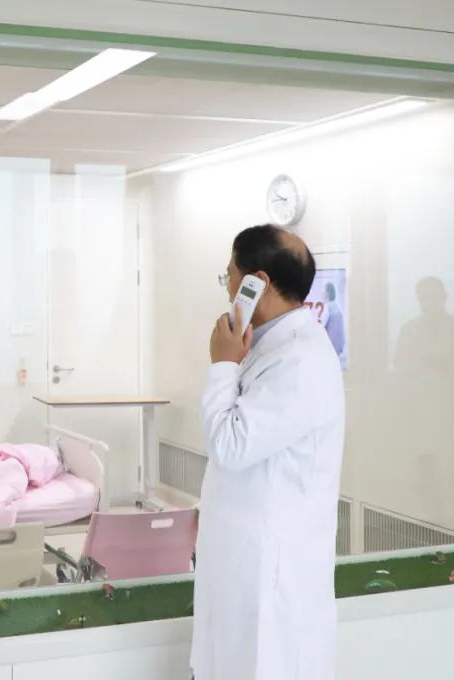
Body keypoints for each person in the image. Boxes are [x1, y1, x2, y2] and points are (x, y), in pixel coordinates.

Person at [191, 225, 345, 680]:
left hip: (271, 575)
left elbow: (231, 445)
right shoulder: (271, 347)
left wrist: (222, 366)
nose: (228, 290)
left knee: (262, 662)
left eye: (230, 277)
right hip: (246, 563)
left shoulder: (300, 360)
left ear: (256, 282)